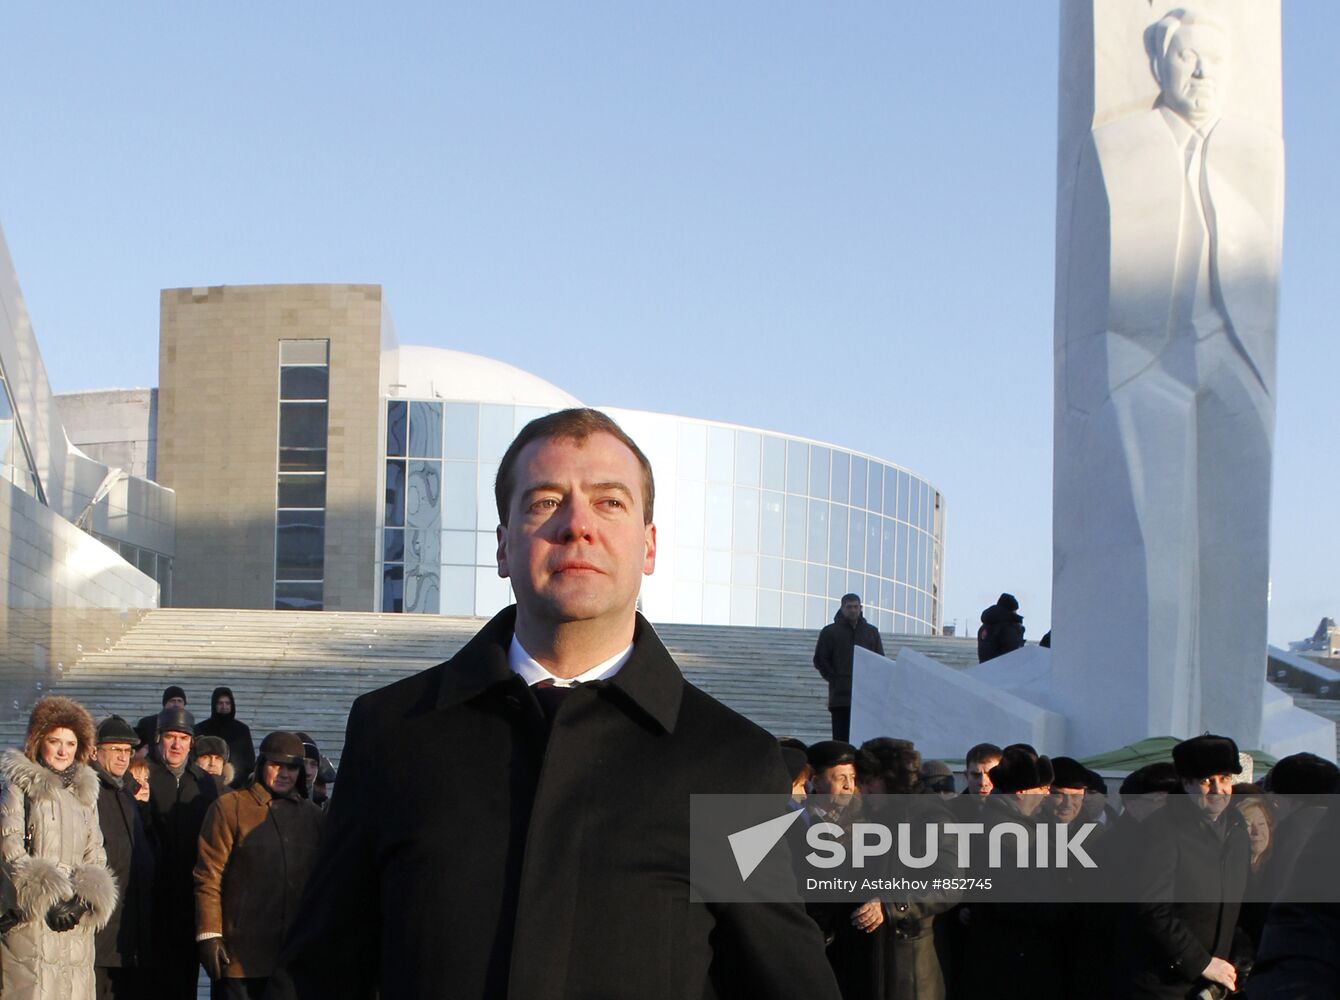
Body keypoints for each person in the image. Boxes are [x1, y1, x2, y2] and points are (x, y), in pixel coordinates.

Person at [270, 408, 840, 999]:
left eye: (610, 502)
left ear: (648, 546)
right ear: (501, 546)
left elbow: (787, 984)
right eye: (545, 502)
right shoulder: (394, 733)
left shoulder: (729, 762)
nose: (577, 525)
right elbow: (317, 974)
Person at [1054, 7, 1286, 747]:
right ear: (1158, 65)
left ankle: (1229, 736)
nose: (1204, 75)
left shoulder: (1257, 152)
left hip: (1236, 352)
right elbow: (1093, 276)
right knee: (1150, 553)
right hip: (1142, 360)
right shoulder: (1117, 145)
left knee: (1238, 555)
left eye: (1215, 60)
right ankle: (1146, 736)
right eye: (1188, 59)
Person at [0, 697, 119, 1000]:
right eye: (55, 741)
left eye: (70, 742)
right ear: (39, 742)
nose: (63, 751)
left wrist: (83, 900)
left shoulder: (85, 794)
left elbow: (96, 852)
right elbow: (9, 846)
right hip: (32, 921)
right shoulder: (20, 786)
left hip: (74, 926)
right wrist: (45, 894)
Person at [1115, 734, 1251, 999]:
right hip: (1164, 983)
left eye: (1224, 779)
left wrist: (1240, 950)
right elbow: (1152, 908)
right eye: (1206, 781)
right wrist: (1200, 962)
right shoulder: (1162, 828)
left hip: (1215, 981)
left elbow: (1238, 903)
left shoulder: (1236, 827)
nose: (1217, 790)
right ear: (1186, 784)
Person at [194, 732, 323, 1000]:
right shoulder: (230, 807)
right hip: (241, 955)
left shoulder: (313, 817)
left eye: (291, 767)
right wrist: (209, 933)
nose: (284, 774)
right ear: (262, 764)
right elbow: (208, 876)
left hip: (292, 956)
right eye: (277, 765)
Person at [145, 706, 219, 999]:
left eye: (183, 738)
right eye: (171, 737)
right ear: (158, 738)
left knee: (184, 982)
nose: (177, 745)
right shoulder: (141, 776)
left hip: (189, 900)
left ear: (192, 742)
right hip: (150, 903)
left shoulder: (205, 783)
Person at [91, 715, 156, 1000]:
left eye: (128, 751)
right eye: (115, 749)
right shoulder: (88, 792)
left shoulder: (128, 794)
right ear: (95, 751)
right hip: (100, 932)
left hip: (131, 931)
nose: (123, 757)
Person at [813, 594, 885, 741]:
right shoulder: (830, 632)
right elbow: (820, 659)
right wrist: (835, 678)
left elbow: (879, 660)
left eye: (856, 607)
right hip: (840, 698)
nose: (853, 610)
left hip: (866, 698)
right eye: (849, 607)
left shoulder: (871, 632)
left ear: (861, 608)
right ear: (842, 608)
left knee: (865, 741)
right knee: (841, 740)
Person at [194, 688, 255, 788]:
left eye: (227, 703)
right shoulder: (201, 728)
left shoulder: (242, 730)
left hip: (236, 786)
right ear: (214, 705)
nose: (224, 706)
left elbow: (249, 760)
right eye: (220, 703)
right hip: (203, 783)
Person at [134, 685, 186, 756]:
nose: (176, 704)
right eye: (172, 701)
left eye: (180, 701)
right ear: (165, 704)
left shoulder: (187, 725)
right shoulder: (147, 723)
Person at [976, 593, 1024, 663]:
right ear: (1010, 610)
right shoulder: (1007, 628)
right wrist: (1019, 631)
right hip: (1002, 670)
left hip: (985, 668)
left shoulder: (984, 627)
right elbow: (1012, 653)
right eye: (1015, 610)